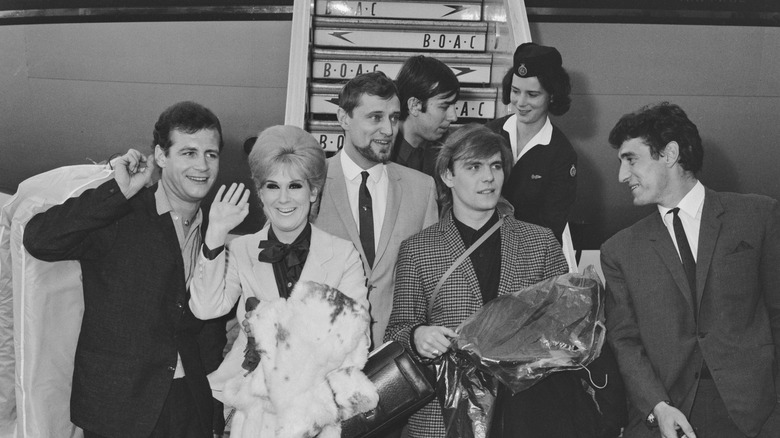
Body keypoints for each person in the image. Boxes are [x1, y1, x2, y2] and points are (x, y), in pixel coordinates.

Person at [385, 124, 626, 437]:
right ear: (447, 176)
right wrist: (418, 335)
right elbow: (398, 328)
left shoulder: (539, 242)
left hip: (528, 414)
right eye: (474, 167)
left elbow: (572, 329)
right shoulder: (418, 249)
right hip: (444, 414)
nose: (489, 177)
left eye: (496, 166)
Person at [23, 101, 222, 438]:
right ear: (161, 156)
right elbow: (39, 239)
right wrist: (119, 191)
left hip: (189, 405)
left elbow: (207, 330)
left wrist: (213, 412)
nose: (202, 165)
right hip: (119, 411)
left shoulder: (216, 229)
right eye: (188, 152)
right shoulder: (122, 213)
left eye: (211, 154)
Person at [601, 102, 780, 438]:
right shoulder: (619, 250)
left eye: (630, 159)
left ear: (669, 154)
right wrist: (658, 407)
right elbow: (625, 342)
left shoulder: (758, 217)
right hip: (669, 415)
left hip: (758, 415)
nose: (622, 176)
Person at [188, 124, 369, 404]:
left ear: (313, 192)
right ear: (260, 193)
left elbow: (358, 338)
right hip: (249, 403)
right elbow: (205, 308)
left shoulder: (343, 255)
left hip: (317, 404)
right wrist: (214, 235)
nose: (283, 199)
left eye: (295, 185)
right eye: (273, 186)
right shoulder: (241, 249)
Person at [315, 71, 438, 348]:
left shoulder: (422, 189)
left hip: (396, 358)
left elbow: (429, 283)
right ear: (343, 118)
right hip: (323, 355)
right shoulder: (310, 182)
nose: (388, 129)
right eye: (375, 117)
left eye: (393, 118)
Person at [485, 42, 577, 244]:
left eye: (532, 94)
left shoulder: (561, 153)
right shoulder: (489, 133)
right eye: (516, 91)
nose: (520, 102)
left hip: (529, 259)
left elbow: (550, 229)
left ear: (552, 96)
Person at [390, 55, 460, 177]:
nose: (453, 117)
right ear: (414, 105)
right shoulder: (380, 153)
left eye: (454, 106)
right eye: (444, 106)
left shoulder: (450, 151)